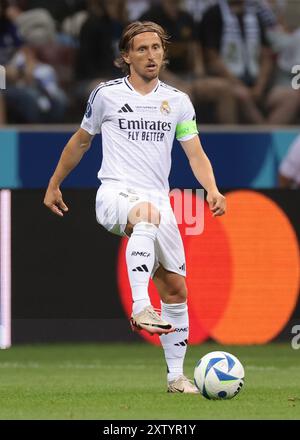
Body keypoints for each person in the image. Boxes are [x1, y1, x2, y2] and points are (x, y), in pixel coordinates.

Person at [43, 21, 226, 393]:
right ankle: (141, 305)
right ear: (125, 56)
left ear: (164, 52)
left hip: (160, 199)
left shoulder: (178, 101)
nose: (151, 55)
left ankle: (176, 377)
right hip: (116, 192)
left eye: (156, 48)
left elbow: (194, 152)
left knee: (176, 290)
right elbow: (80, 142)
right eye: (141, 49)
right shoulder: (106, 95)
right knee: (145, 215)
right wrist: (54, 182)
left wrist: (212, 188)